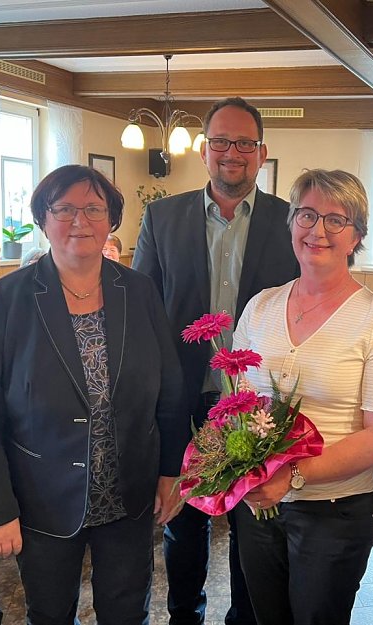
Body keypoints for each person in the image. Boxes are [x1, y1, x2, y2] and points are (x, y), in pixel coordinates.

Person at [0, 164, 189, 625]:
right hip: (42, 496)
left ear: (110, 221)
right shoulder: (7, 299)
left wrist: (171, 472)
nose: (79, 220)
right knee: (51, 612)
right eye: (63, 208)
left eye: (93, 209)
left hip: (128, 494)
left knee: (127, 612)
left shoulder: (139, 291)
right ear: (43, 218)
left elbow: (171, 389)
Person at [132, 96, 298, 625]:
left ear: (261, 152)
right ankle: (185, 613)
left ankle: (244, 618)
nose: (233, 153)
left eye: (244, 143)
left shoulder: (290, 221)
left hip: (255, 400)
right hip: (181, 395)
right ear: (204, 151)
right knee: (186, 518)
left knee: (255, 517)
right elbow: (143, 306)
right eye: (222, 142)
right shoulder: (162, 217)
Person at [232, 169, 373, 625]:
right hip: (260, 506)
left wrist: (291, 477)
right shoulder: (260, 306)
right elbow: (238, 404)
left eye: (336, 220)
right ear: (291, 223)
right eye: (307, 215)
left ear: (357, 236)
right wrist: (243, 473)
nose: (318, 231)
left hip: (335, 510)